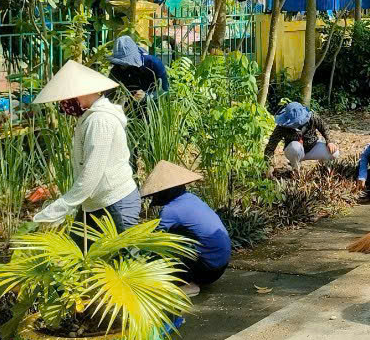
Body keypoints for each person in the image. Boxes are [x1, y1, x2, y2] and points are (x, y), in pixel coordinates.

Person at [32, 60, 141, 231]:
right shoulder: (89, 117)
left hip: (115, 203)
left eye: (67, 97)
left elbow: (91, 174)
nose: (64, 103)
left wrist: (60, 207)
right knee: (77, 246)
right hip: (94, 202)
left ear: (82, 92)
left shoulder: (100, 120)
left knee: (123, 250)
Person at [140, 161, 231, 298]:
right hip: (221, 264)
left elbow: (153, 241)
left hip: (207, 270)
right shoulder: (191, 198)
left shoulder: (170, 211)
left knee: (164, 245)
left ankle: (187, 284)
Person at [264, 101, 338, 171]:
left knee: (334, 153)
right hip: (294, 151)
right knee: (294, 148)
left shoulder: (312, 118)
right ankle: (295, 168)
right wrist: (269, 166)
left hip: (312, 147)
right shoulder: (282, 126)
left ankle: (323, 166)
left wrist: (329, 141)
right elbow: (270, 147)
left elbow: (324, 128)